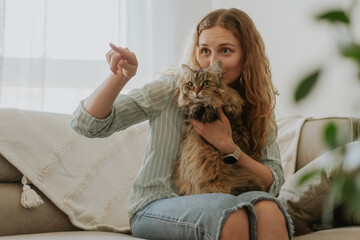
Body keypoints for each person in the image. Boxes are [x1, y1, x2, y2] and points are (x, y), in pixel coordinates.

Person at [71, 8, 293, 240]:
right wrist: (120, 75)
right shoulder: (172, 88)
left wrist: (230, 149)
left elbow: (274, 182)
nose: (211, 62)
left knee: (269, 209)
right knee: (230, 212)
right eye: (204, 50)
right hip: (158, 203)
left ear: (246, 56)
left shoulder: (256, 104)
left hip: (229, 194)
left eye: (225, 51)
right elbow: (87, 125)